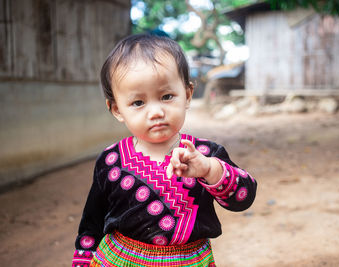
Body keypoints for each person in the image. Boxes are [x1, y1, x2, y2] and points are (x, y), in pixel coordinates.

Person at [72, 34, 257, 267]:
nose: (156, 112)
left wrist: (209, 169)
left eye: (167, 96)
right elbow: (92, 222)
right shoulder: (111, 161)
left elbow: (243, 197)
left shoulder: (205, 154)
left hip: (189, 261)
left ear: (187, 95)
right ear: (117, 109)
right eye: (138, 103)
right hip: (119, 260)